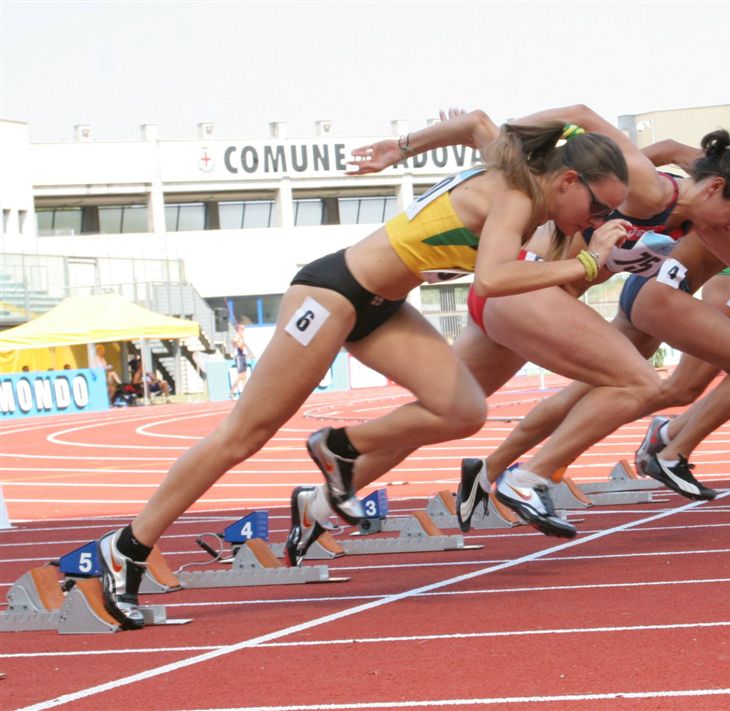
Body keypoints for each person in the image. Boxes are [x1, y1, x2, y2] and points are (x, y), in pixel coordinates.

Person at [96, 116, 632, 630]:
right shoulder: (515, 195)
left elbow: (473, 122)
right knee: (243, 436)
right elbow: (492, 279)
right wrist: (589, 263)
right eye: (597, 207)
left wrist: (401, 149)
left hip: (383, 307)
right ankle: (127, 548)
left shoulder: (515, 172)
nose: (596, 220)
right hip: (332, 295)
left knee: (463, 410)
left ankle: (341, 448)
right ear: (567, 179)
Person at [290, 104, 730, 545]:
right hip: (520, 285)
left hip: (521, 300)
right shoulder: (644, 185)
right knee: (638, 381)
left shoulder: (701, 220)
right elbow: (571, 115)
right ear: (716, 188)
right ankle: (527, 479)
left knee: (441, 415)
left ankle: (316, 506)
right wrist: (422, 148)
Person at [487, 124, 730, 506]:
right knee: (724, 376)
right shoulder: (704, 184)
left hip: (692, 286)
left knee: (637, 390)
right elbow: (659, 149)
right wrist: (608, 190)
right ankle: (656, 452)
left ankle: (501, 468)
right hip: (659, 288)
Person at [229, 323, 251, 398]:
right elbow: (239, 345)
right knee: (240, 375)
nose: (243, 331)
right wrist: (241, 342)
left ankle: (245, 393)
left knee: (244, 376)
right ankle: (232, 391)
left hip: (243, 356)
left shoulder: (241, 337)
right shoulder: (237, 337)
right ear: (238, 330)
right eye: (242, 329)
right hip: (239, 357)